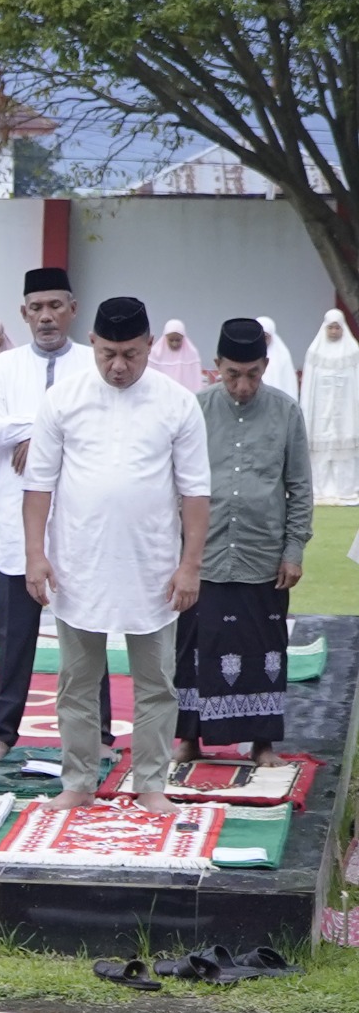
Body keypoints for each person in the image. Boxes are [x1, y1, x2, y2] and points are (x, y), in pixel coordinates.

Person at [23, 294, 210, 812]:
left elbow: (195, 492)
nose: (119, 365)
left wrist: (190, 564)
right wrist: (35, 555)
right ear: (92, 344)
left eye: (130, 353)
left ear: (150, 345)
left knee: (157, 683)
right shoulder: (64, 398)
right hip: (77, 564)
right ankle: (78, 782)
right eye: (108, 353)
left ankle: (150, 783)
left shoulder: (178, 402)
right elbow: (38, 486)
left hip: (154, 566)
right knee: (77, 683)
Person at [0, 266, 109, 761]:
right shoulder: (2, 368)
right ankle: (2, 733)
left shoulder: (93, 365)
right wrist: (42, 430)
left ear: (73, 308)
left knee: (89, 630)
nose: (47, 316)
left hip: (79, 523)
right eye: (37, 308)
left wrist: (40, 439)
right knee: (14, 634)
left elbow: (100, 425)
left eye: (56, 306)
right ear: (23, 313)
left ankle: (100, 734)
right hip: (14, 521)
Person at [176, 318, 310, 766]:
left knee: (263, 648)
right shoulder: (194, 409)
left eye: (253, 373)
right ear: (216, 366)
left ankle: (263, 743)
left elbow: (299, 487)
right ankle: (189, 740)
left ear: (265, 366)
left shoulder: (286, 412)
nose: (243, 384)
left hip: (261, 553)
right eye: (233, 373)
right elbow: (174, 483)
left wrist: (293, 549)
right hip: (204, 552)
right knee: (195, 645)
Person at [301, 308, 359, 504]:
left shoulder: (353, 352)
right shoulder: (315, 352)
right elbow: (308, 387)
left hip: (346, 412)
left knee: (345, 448)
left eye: (337, 327)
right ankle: (320, 490)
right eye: (331, 328)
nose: (334, 331)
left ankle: (346, 489)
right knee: (321, 450)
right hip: (320, 412)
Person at [150, 319, 203, 390]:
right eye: (171, 340)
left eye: (178, 340)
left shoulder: (192, 354)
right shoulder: (155, 354)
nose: (174, 344)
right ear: (165, 338)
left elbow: (196, 382)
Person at [258, 316, 299, 403]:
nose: (262, 340)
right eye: (258, 336)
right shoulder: (247, 352)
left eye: (265, 336)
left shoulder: (282, 355)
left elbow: (288, 383)